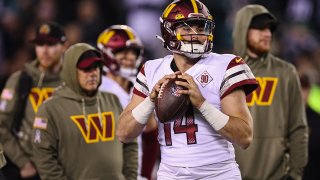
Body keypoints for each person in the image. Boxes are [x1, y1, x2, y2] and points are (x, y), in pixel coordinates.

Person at [117, 0, 258, 179]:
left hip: (218, 174)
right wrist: (150, 101)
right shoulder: (151, 70)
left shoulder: (226, 65)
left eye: (201, 29)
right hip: (171, 174)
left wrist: (202, 104)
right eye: (187, 29)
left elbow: (244, 137)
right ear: (169, 31)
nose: (196, 35)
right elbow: (123, 133)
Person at [31, 43, 138, 180]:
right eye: (86, 69)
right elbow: (44, 157)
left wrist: (130, 178)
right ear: (71, 71)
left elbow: (130, 142)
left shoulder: (112, 100)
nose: (93, 73)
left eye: (96, 68)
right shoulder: (50, 109)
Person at [233, 4, 308, 180]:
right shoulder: (222, 70)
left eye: (269, 29)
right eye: (260, 28)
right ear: (243, 30)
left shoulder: (286, 72)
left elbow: (298, 128)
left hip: (276, 176)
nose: (267, 34)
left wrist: (295, 174)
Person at [0, 21, 67, 180]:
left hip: (65, 169)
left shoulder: (73, 82)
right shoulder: (22, 79)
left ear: (65, 46)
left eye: (51, 44)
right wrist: (22, 162)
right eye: (40, 44)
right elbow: (2, 125)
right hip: (31, 171)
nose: (44, 51)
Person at [97, 25, 159, 180]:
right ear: (106, 53)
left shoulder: (140, 88)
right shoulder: (97, 89)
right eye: (123, 52)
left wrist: (145, 175)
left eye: (133, 52)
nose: (130, 57)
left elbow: (151, 136)